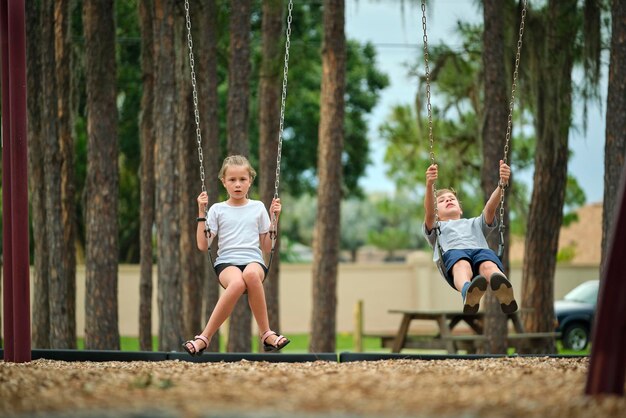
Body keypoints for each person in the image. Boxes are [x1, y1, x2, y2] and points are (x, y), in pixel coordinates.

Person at [183, 155, 290, 355]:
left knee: (249, 275)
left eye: (242, 179)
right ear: (224, 182)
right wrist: (201, 211)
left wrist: (274, 219)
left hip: (254, 261)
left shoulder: (258, 208)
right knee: (238, 283)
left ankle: (266, 333)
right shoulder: (217, 210)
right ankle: (205, 338)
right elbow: (202, 244)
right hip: (226, 264)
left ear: (250, 181)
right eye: (232, 180)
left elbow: (267, 247)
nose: (238, 184)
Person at [423, 160, 518, 315]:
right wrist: (429, 185)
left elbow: (489, 208)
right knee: (462, 265)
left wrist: (501, 185)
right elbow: (428, 213)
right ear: (436, 212)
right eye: (441, 201)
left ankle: (503, 289)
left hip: (480, 251)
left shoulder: (474, 223)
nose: (448, 200)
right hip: (454, 254)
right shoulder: (437, 227)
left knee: (488, 265)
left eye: (451, 199)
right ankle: (468, 291)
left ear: (460, 208)